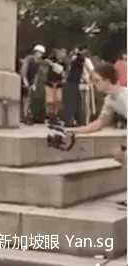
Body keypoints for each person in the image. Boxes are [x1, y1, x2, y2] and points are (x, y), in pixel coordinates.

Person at [67, 63, 127, 205]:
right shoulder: (110, 100)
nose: (94, 84)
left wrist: (124, 146)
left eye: (97, 80)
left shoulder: (125, 96)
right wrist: (75, 131)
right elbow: (100, 123)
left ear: (107, 80)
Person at [20, 44, 46, 124]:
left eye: (41, 53)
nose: (39, 54)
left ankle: (27, 115)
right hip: (25, 79)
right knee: (25, 98)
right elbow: (24, 69)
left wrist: (34, 83)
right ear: (35, 52)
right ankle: (24, 116)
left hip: (31, 80)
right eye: (38, 52)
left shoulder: (39, 62)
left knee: (29, 98)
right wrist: (24, 79)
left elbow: (37, 74)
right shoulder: (29, 59)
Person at [60, 48, 86, 127]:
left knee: (69, 103)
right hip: (75, 84)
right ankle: (78, 120)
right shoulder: (80, 63)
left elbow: (69, 73)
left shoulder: (73, 63)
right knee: (76, 102)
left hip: (70, 83)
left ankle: (69, 121)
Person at [43, 48, 67, 123]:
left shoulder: (64, 64)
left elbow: (64, 73)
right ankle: (50, 115)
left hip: (59, 83)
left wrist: (64, 78)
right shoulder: (51, 62)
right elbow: (45, 62)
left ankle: (56, 115)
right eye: (61, 53)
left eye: (64, 53)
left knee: (58, 100)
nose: (62, 54)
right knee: (50, 101)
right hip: (50, 82)